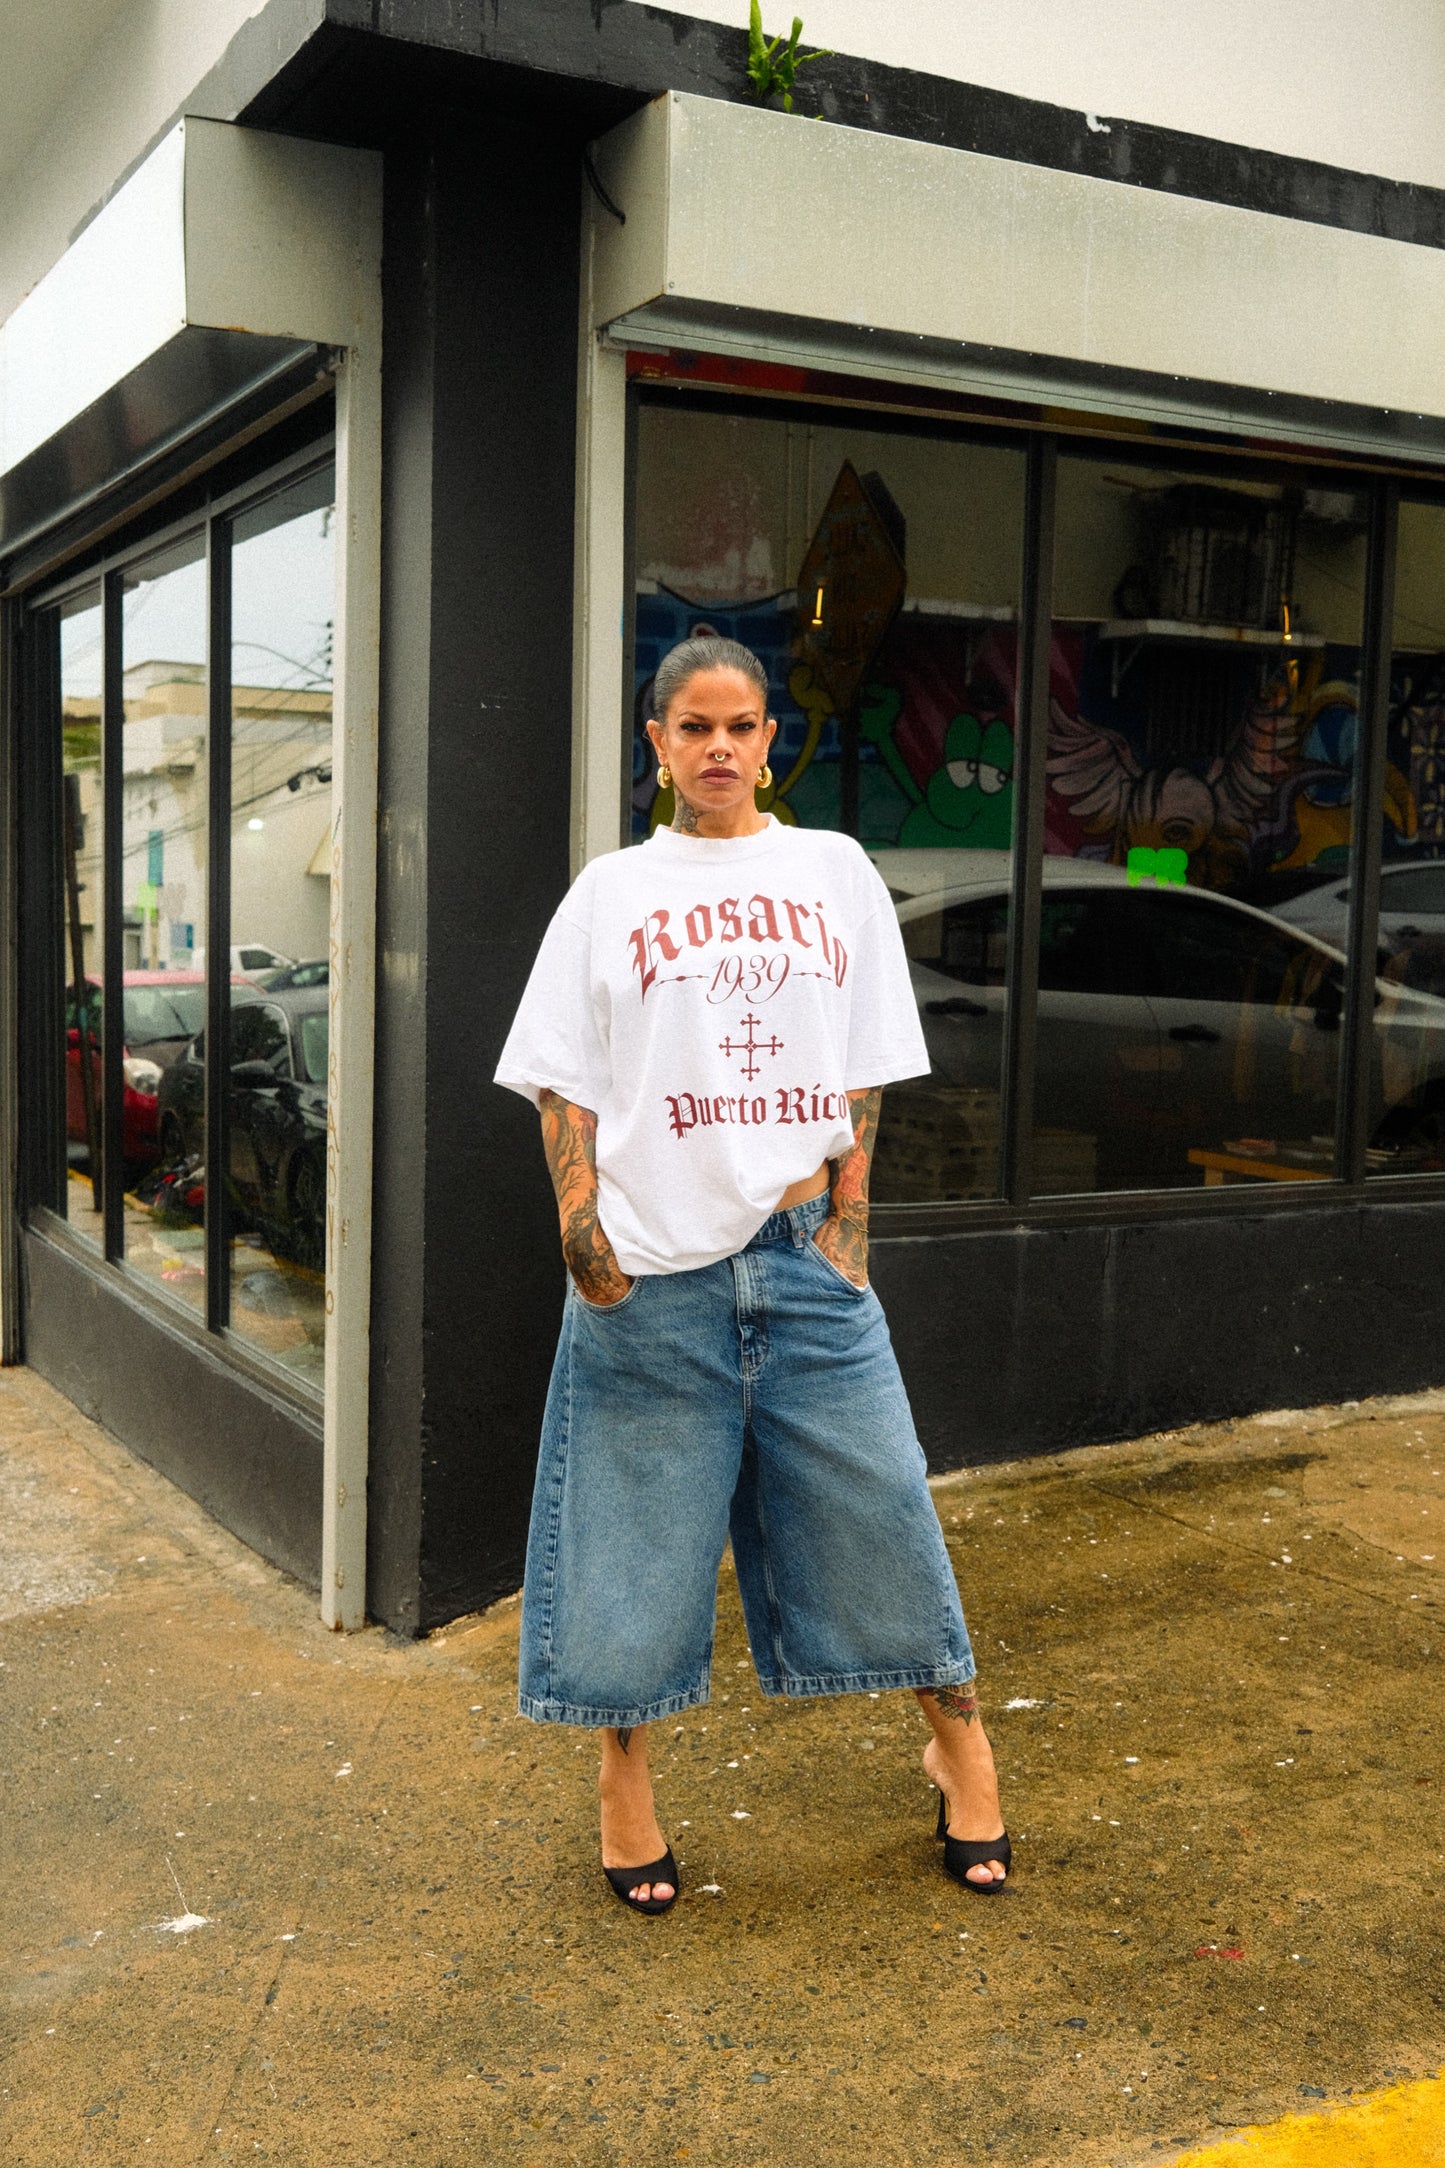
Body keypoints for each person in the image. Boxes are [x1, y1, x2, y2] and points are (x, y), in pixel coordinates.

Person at [495, 635, 1009, 1914]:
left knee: (883, 1512)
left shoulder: (830, 869)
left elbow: (865, 1062)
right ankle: (623, 1782)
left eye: (740, 725)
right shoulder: (611, 892)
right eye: (693, 726)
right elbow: (560, 1078)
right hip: (649, 1279)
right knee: (629, 1554)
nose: (718, 746)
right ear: (656, 743)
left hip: (802, 1264)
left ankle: (959, 1744)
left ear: (769, 739)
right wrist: (585, 1245)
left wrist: (849, 1228)